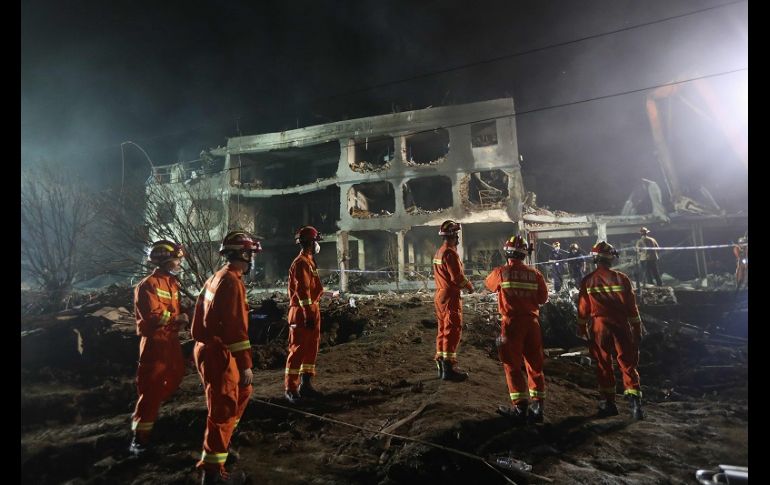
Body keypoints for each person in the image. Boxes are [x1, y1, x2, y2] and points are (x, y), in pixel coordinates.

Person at [191, 230, 261, 484]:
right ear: (243, 254)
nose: (252, 258)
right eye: (250, 254)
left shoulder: (216, 278)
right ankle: (212, 475)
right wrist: (245, 365)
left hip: (209, 349)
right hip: (220, 353)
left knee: (235, 400)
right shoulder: (232, 282)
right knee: (223, 410)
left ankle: (220, 452)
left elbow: (199, 320)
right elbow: (235, 330)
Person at [129, 240, 188, 456]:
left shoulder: (171, 283)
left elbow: (176, 309)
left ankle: (151, 409)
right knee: (151, 388)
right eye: (176, 259)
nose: (179, 263)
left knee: (177, 375)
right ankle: (139, 439)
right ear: (165, 260)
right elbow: (154, 316)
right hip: (154, 342)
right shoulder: (147, 285)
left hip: (170, 341)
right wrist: (177, 317)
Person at [577, 241, 645, 420]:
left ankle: (609, 404)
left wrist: (582, 327)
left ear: (594, 259)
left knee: (603, 364)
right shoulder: (622, 279)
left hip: (600, 327)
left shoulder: (588, 280)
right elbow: (632, 307)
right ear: (611, 259)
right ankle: (635, 406)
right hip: (621, 325)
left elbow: (583, 308)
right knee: (628, 363)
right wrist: (637, 328)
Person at [485, 235, 548, 423]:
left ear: (507, 254)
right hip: (533, 324)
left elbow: (489, 285)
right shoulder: (535, 274)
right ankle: (538, 407)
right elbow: (543, 299)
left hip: (512, 324)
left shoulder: (501, 272)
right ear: (525, 254)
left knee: (512, 364)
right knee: (535, 364)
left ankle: (520, 408)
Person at [284, 226, 325, 403]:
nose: (318, 245)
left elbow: (312, 288)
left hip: (311, 310)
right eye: (316, 241)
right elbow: (302, 291)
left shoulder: (309, 261)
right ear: (310, 242)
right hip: (302, 312)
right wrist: (308, 313)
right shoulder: (301, 262)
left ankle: (305, 385)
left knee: (310, 349)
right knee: (298, 350)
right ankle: (291, 389)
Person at [432, 220, 475, 381]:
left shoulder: (439, 252)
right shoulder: (450, 253)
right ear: (453, 236)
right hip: (450, 296)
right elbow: (457, 277)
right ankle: (448, 369)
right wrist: (470, 286)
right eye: (456, 235)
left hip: (440, 295)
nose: (458, 238)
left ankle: (441, 366)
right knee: (452, 330)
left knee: (443, 330)